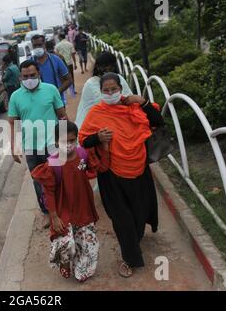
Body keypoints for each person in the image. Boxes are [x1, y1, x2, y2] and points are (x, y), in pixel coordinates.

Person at [78, 72, 165, 278]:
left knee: (138, 212)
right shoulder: (97, 112)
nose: (110, 93)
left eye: (113, 89)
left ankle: (134, 239)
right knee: (122, 217)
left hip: (138, 170)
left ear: (121, 89)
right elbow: (83, 140)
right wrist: (97, 137)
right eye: (106, 91)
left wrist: (143, 102)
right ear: (100, 92)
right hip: (110, 174)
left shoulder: (133, 107)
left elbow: (158, 121)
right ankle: (130, 258)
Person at [32, 121, 109, 282]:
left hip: (83, 206)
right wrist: (54, 216)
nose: (68, 145)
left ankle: (83, 270)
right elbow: (49, 191)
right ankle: (64, 262)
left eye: (72, 140)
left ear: (76, 139)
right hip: (62, 208)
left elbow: (98, 168)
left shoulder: (83, 154)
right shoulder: (53, 162)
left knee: (88, 242)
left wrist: (105, 148)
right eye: (63, 141)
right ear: (55, 142)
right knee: (65, 242)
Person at [8, 60, 68, 229]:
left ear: (39, 74)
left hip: (53, 145)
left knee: (59, 176)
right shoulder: (15, 96)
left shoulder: (51, 90)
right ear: (20, 77)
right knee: (38, 181)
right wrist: (14, 146)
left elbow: (62, 116)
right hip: (31, 148)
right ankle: (47, 212)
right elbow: (13, 123)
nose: (29, 79)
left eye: (32, 75)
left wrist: (68, 142)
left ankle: (62, 207)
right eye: (25, 76)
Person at [75, 51, 133, 128]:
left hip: (118, 122)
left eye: (110, 66)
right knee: (60, 124)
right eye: (104, 66)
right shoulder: (90, 84)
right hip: (96, 124)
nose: (107, 69)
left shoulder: (120, 79)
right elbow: (87, 109)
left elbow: (128, 100)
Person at [30, 34, 71, 104]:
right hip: (38, 104)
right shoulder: (29, 63)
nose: (37, 48)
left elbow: (69, 80)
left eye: (39, 45)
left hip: (57, 102)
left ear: (44, 45)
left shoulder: (56, 60)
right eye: (35, 46)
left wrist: (57, 92)